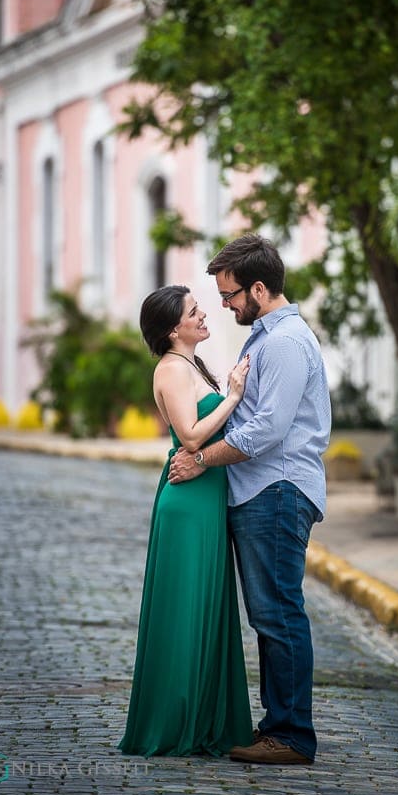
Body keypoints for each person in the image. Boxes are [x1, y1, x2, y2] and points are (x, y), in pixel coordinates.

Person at [169, 235, 331, 765]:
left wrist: (201, 459)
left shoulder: (283, 342)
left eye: (231, 294)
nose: (225, 305)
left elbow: (266, 431)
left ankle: (291, 736)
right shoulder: (265, 336)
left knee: (278, 614)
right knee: (268, 615)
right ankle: (277, 727)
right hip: (262, 491)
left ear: (259, 288)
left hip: (277, 490)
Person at [118, 284, 253, 757]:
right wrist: (234, 396)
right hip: (188, 504)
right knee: (185, 611)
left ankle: (206, 716)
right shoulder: (172, 370)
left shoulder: (191, 365)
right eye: (194, 311)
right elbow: (191, 438)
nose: (204, 315)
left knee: (208, 607)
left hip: (206, 498)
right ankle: (177, 723)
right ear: (174, 329)